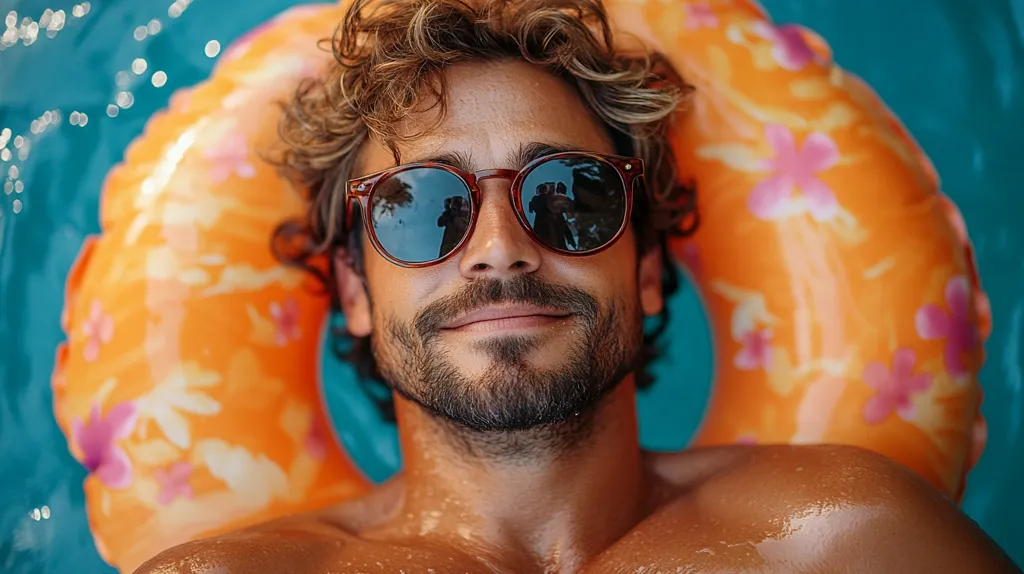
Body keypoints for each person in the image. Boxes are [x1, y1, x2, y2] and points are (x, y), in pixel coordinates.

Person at [135, 0, 1020, 572]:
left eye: (568, 195)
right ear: (356, 291)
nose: (500, 248)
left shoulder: (845, 541)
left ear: (641, 268)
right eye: (420, 206)